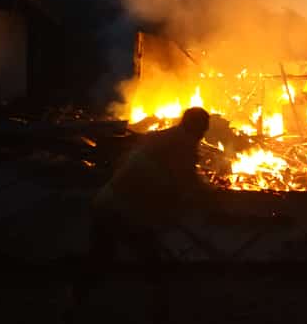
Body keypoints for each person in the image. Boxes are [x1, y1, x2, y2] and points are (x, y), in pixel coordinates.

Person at [67, 107, 213, 323]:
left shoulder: (163, 136)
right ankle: (160, 311)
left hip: (107, 201)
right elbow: (184, 181)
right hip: (125, 210)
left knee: (101, 256)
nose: (204, 134)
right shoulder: (183, 146)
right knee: (149, 260)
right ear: (198, 128)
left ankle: (76, 303)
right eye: (204, 129)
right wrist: (210, 196)